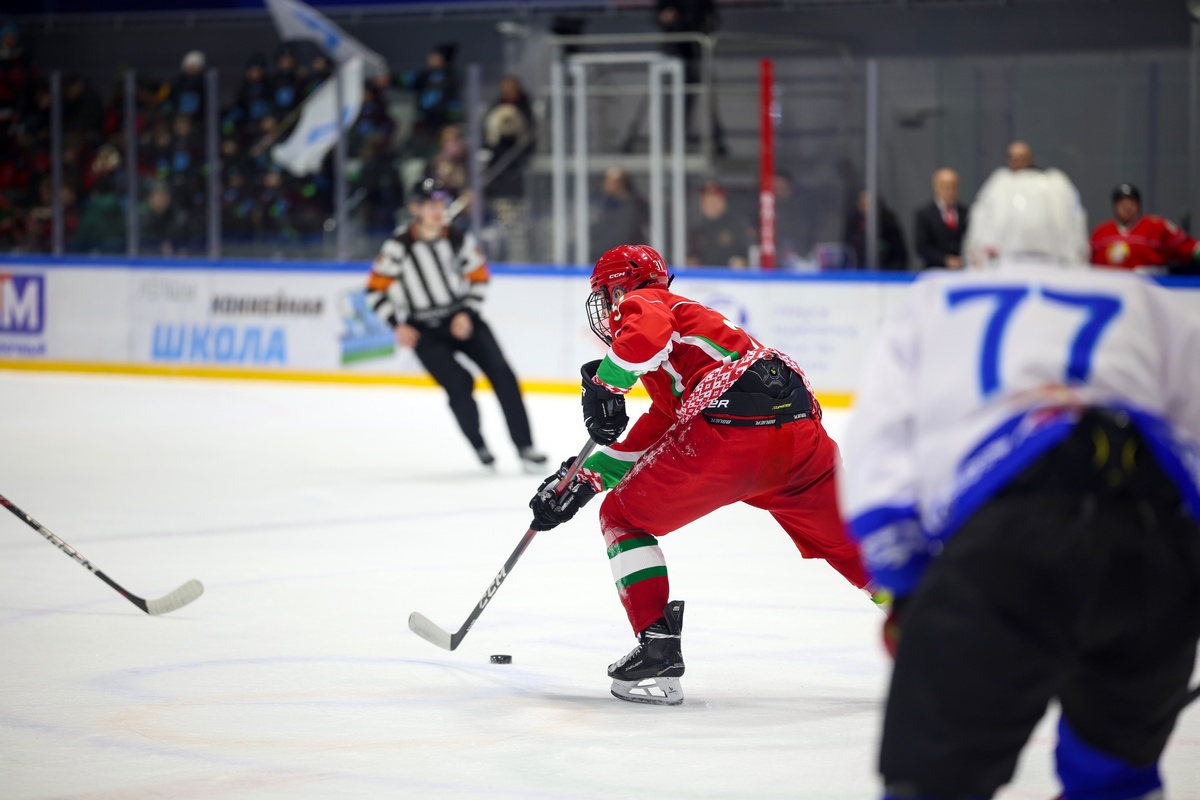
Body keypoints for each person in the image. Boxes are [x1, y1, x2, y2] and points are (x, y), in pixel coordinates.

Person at [839, 167, 1200, 800]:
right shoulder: (1146, 300)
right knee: (1115, 778)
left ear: (981, 236)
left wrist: (906, 582)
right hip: (1152, 546)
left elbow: (879, 448)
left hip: (1014, 539)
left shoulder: (935, 298)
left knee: (932, 779)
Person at [528, 244, 878, 706]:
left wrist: (605, 384)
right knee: (851, 546)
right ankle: (931, 622)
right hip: (798, 436)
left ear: (619, 291)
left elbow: (643, 337)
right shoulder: (687, 339)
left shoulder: (647, 302)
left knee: (623, 518)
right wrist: (582, 479)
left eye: (607, 296)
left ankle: (657, 646)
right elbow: (660, 425)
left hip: (734, 434)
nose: (608, 308)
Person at [364, 178, 546, 472]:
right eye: (431, 205)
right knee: (460, 383)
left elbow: (479, 277)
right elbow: (375, 290)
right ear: (415, 209)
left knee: (502, 374)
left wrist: (466, 312)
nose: (439, 211)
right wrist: (397, 325)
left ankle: (525, 448)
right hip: (424, 330)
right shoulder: (399, 245)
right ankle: (479, 444)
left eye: (442, 204)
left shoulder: (456, 236)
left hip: (462, 318)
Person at [1090, 183, 1199, 273]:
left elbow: (1188, 247)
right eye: (1121, 202)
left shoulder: (1156, 226)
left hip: (1151, 287)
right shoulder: (1100, 232)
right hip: (1111, 288)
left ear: (1138, 205)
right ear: (1115, 206)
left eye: (1131, 201)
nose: (1126, 206)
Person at [687, 178, 751, 267]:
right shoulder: (698, 228)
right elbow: (693, 257)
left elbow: (748, 255)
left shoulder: (737, 224)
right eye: (706, 201)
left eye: (713, 201)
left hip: (727, 275)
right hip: (704, 275)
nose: (710, 205)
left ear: (723, 201)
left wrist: (742, 263)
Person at [913, 168, 968, 270]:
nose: (950, 191)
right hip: (934, 270)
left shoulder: (965, 213)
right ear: (937, 187)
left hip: (961, 271)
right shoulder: (925, 214)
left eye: (954, 187)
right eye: (946, 187)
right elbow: (922, 246)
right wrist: (945, 260)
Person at [590, 167, 647, 262]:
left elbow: (623, 235)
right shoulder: (603, 205)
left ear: (621, 184)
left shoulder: (634, 207)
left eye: (610, 180)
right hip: (607, 257)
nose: (605, 183)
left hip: (628, 259)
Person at [843, 190, 908, 270]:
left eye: (868, 205)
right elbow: (846, 248)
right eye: (862, 204)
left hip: (885, 271)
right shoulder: (853, 222)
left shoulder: (888, 224)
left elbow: (899, 255)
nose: (865, 208)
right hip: (858, 271)